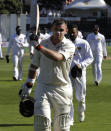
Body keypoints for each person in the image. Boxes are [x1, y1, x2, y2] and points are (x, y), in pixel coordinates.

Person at [20, 18, 75, 131]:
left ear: (66, 31)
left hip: (62, 88)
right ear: (51, 29)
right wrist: (28, 84)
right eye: (56, 29)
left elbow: (58, 57)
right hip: (43, 87)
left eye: (61, 30)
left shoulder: (69, 45)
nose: (58, 32)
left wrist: (38, 47)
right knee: (42, 123)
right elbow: (34, 66)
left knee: (62, 127)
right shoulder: (43, 43)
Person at [69, 25, 93, 122]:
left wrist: (81, 65)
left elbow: (90, 57)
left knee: (80, 97)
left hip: (79, 73)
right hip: (68, 73)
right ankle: (70, 119)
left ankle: (81, 111)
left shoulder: (83, 43)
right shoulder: (65, 43)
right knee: (67, 96)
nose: (71, 34)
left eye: (73, 32)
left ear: (77, 32)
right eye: (70, 32)